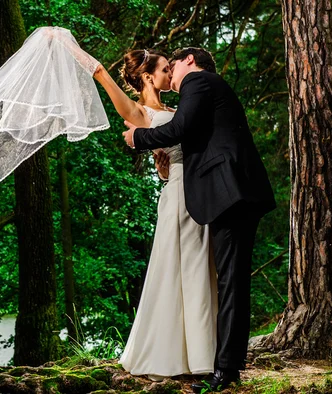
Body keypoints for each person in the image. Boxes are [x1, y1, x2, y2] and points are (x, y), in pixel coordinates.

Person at [122, 47, 276, 392]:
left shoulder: (199, 81)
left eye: (172, 66)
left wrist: (138, 138)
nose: (171, 76)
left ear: (188, 62)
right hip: (228, 194)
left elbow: (180, 126)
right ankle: (223, 362)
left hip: (231, 195)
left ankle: (225, 370)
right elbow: (195, 138)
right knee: (227, 280)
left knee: (230, 281)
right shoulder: (206, 90)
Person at [64, 40, 219, 380]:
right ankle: (176, 356)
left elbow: (168, 161)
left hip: (189, 189)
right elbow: (101, 72)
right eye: (165, 69)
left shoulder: (179, 112)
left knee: (195, 271)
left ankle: (200, 353)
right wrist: (65, 43)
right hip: (179, 197)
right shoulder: (140, 113)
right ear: (148, 77)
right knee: (178, 272)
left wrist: (162, 166)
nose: (170, 74)